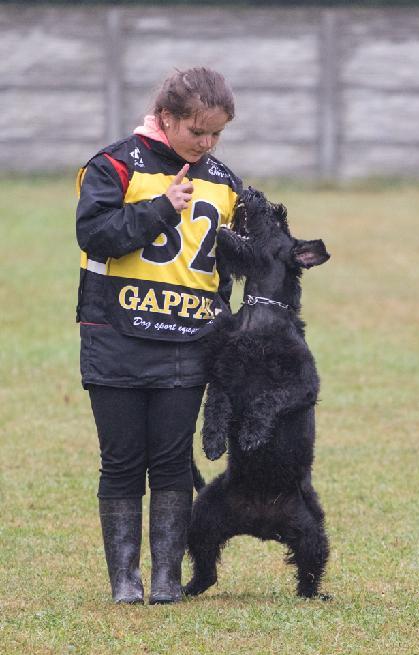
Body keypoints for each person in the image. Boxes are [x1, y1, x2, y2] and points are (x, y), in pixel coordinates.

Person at [75, 67, 242, 605]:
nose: (207, 143)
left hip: (189, 342)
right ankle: (125, 582)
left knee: (173, 460)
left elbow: (240, 259)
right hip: (116, 334)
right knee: (122, 460)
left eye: (216, 133)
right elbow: (95, 235)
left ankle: (167, 579)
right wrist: (160, 208)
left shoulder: (224, 180)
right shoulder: (113, 165)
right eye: (198, 131)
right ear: (166, 118)